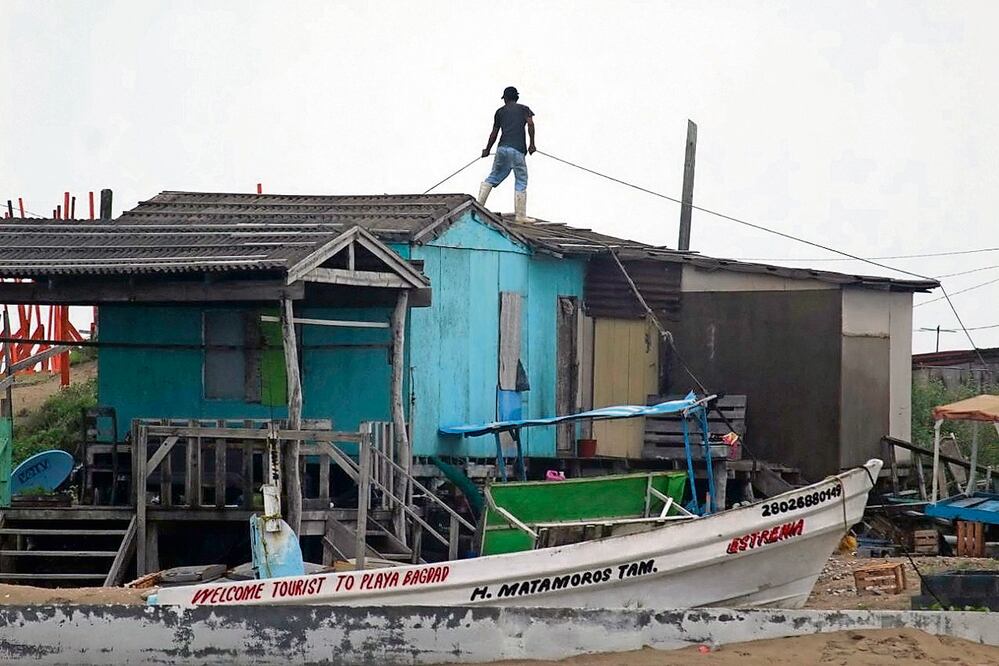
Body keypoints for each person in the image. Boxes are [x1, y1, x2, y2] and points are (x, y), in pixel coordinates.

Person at [477, 86, 536, 222]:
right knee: (521, 179)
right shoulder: (524, 109)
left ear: (506, 99)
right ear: (517, 97)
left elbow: (494, 134)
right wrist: (532, 144)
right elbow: (531, 124)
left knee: (493, 176)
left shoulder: (500, 112)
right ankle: (520, 216)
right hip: (517, 149)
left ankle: (478, 206)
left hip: (502, 148)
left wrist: (487, 150)